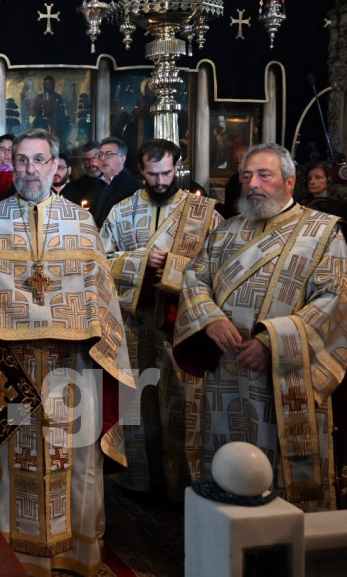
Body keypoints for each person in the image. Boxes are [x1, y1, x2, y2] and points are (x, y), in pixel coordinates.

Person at [0, 129, 133, 575]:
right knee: (9, 457)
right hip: (6, 362)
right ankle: (6, 548)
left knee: (70, 453)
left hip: (69, 362)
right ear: (13, 166)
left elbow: (101, 291)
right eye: (21, 160)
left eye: (39, 160)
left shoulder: (80, 222)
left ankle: (73, 550)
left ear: (55, 165)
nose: (30, 170)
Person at [173, 143, 347, 510]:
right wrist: (209, 318)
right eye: (247, 176)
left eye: (264, 175)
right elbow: (195, 279)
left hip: (284, 375)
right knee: (229, 469)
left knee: (283, 482)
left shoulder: (323, 232)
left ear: (289, 182)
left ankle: (286, 540)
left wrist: (272, 342)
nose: (253, 184)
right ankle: (226, 535)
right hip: (226, 372)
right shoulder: (225, 232)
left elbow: (337, 300)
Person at [100, 139, 222, 499]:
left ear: (177, 167)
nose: (160, 181)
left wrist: (176, 265)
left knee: (181, 404)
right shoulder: (121, 212)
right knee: (138, 401)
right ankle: (137, 478)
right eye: (152, 174)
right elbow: (98, 262)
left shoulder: (203, 213)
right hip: (134, 326)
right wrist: (140, 260)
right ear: (140, 170)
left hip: (179, 326)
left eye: (167, 173)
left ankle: (181, 483)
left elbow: (220, 264)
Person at [92, 136, 142, 226]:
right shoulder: (98, 184)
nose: (102, 158)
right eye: (100, 154)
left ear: (122, 159)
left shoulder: (135, 188)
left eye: (109, 154)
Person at [60, 140, 105, 211]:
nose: (91, 163)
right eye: (87, 160)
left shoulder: (112, 182)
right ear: (83, 161)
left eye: (95, 158)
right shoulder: (75, 187)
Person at [30, 75, 69, 148]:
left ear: (53, 85)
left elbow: (61, 112)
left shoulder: (57, 97)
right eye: (45, 84)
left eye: (49, 84)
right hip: (41, 122)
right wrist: (26, 102)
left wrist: (57, 119)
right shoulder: (40, 97)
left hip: (55, 122)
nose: (47, 86)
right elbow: (34, 112)